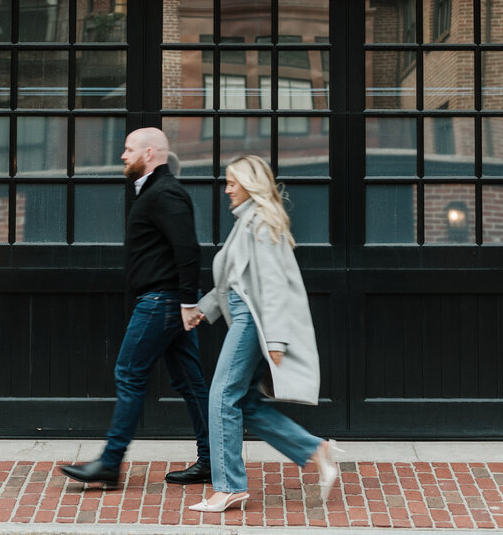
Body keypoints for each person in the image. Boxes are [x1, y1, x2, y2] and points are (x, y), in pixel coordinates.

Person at [183, 155, 343, 513]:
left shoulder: (259, 224)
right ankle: (312, 449)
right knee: (245, 402)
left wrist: (275, 341)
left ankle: (229, 488)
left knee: (222, 397)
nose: (226, 189)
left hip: (252, 321)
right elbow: (234, 281)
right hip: (245, 315)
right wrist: (202, 310)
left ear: (250, 184)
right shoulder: (247, 222)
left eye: (232, 183)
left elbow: (271, 287)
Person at [58, 128, 211, 489]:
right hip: (167, 300)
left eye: (128, 150)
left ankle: (110, 464)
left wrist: (189, 302)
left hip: (162, 302)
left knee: (129, 372)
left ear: (148, 152)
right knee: (190, 382)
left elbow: (187, 250)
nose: (123, 156)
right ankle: (212, 460)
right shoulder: (153, 191)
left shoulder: (165, 192)